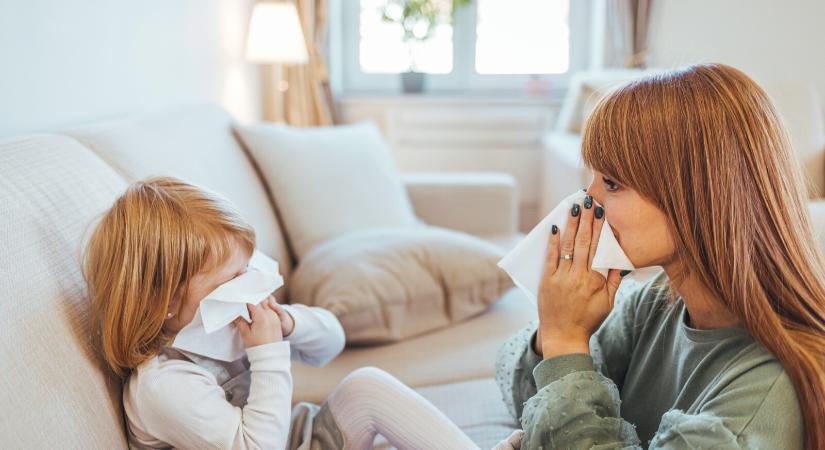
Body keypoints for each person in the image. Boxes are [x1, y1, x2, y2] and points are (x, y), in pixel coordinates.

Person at [495, 63, 825, 449]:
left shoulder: (761, 393)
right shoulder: (658, 302)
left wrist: (566, 339)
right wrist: (555, 331)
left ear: (698, 197)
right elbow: (528, 395)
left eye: (612, 183)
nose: (589, 200)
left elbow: (559, 400)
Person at [83, 176, 478, 450]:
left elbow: (331, 343)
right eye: (233, 278)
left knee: (366, 385)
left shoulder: (226, 323)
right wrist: (268, 354)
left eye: (247, 269)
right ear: (162, 301)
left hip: (298, 435)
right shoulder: (165, 386)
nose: (249, 285)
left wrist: (288, 324)